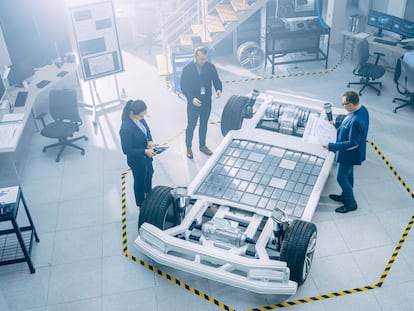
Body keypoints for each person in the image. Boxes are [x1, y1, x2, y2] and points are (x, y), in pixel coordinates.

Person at [323, 90, 369, 213]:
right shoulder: (362, 109)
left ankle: (351, 203)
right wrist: (336, 123)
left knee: (341, 178)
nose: (343, 106)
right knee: (348, 175)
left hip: (349, 155)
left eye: (345, 104)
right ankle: (345, 195)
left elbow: (353, 143)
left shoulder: (357, 121)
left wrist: (331, 146)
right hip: (350, 154)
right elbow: (347, 125)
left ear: (352, 104)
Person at [180, 46, 222, 159]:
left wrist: (218, 89)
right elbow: (183, 87)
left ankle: (202, 145)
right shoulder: (187, 69)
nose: (203, 61)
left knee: (204, 125)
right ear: (195, 57)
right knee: (191, 125)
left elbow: (216, 80)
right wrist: (191, 98)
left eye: (205, 59)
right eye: (200, 59)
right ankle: (188, 147)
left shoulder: (210, 67)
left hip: (206, 102)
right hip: (193, 102)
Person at [119, 100, 157, 207]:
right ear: (133, 113)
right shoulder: (125, 128)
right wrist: (145, 151)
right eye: (142, 115)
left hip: (147, 157)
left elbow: (147, 130)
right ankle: (141, 203)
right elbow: (126, 150)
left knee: (150, 173)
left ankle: (148, 194)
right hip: (137, 160)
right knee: (140, 181)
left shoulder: (140, 118)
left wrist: (150, 140)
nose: (143, 117)